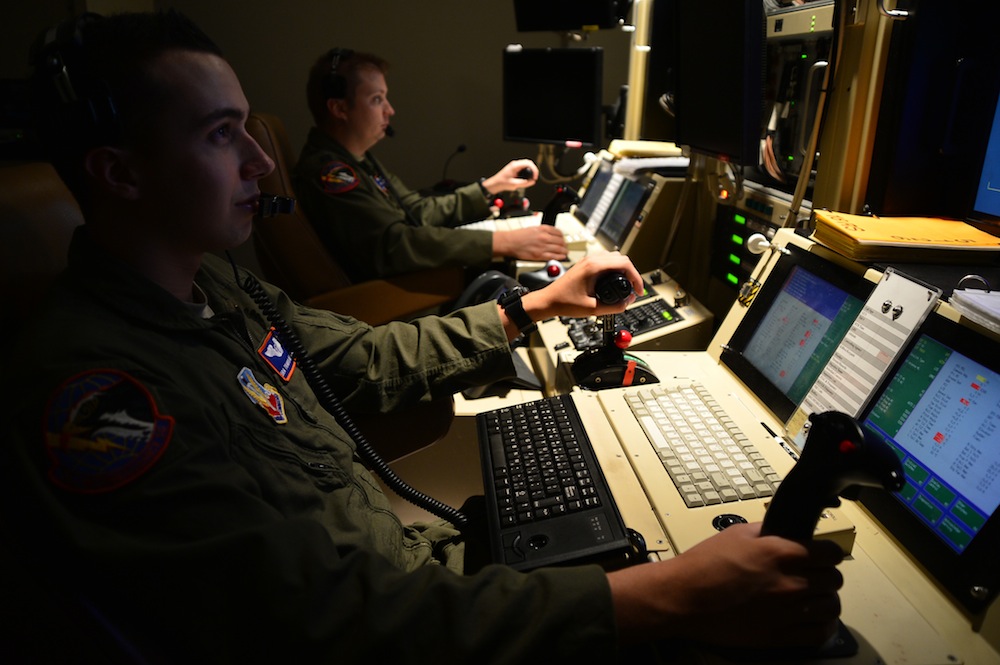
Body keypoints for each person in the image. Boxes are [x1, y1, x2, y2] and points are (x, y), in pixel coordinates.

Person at [1, 10, 844, 663]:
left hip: (418, 569)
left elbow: (360, 358)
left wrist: (532, 307)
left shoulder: (212, 285)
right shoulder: (103, 398)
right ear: (119, 172)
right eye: (224, 137)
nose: (261, 167)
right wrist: (667, 595)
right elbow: (336, 628)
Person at [293, 48, 569, 283]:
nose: (390, 110)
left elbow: (416, 210)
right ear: (339, 109)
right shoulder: (332, 175)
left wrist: (490, 187)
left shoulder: (357, 159)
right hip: (387, 297)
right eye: (377, 99)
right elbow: (395, 245)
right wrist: (504, 242)